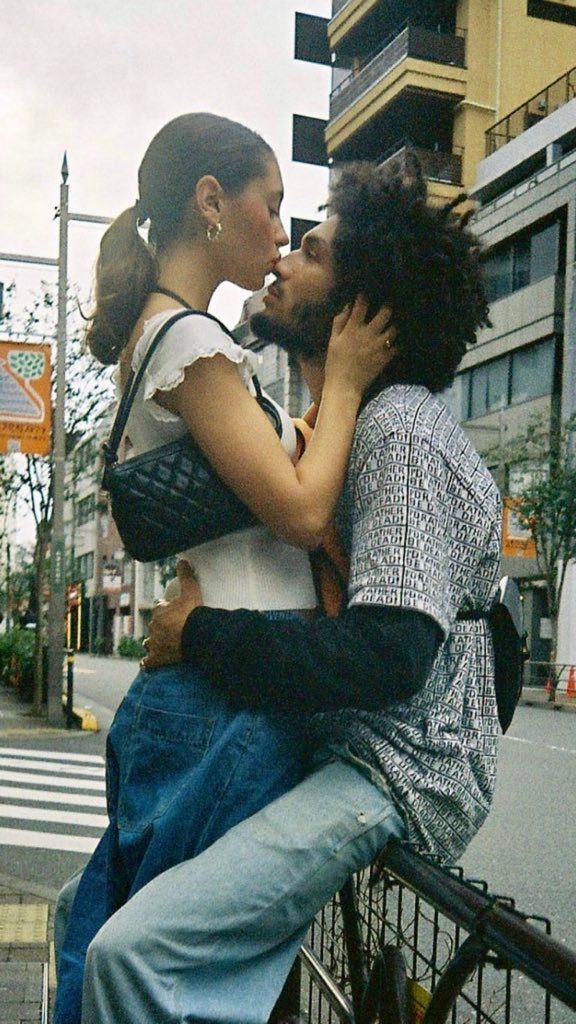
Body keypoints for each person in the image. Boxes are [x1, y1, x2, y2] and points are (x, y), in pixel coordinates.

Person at [81, 157, 502, 1024]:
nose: (280, 258)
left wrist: (200, 635)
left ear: (357, 307)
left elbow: (390, 652)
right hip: (338, 752)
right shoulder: (350, 431)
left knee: (133, 953)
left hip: (394, 774)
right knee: (103, 927)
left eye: (308, 249)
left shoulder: (403, 435)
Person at [53, 114, 393, 1024]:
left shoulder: (174, 339)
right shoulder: (191, 345)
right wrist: (350, 381)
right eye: (272, 204)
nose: (282, 231)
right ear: (212, 203)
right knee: (177, 991)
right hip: (226, 711)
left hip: (215, 694)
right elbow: (301, 510)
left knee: (152, 974)